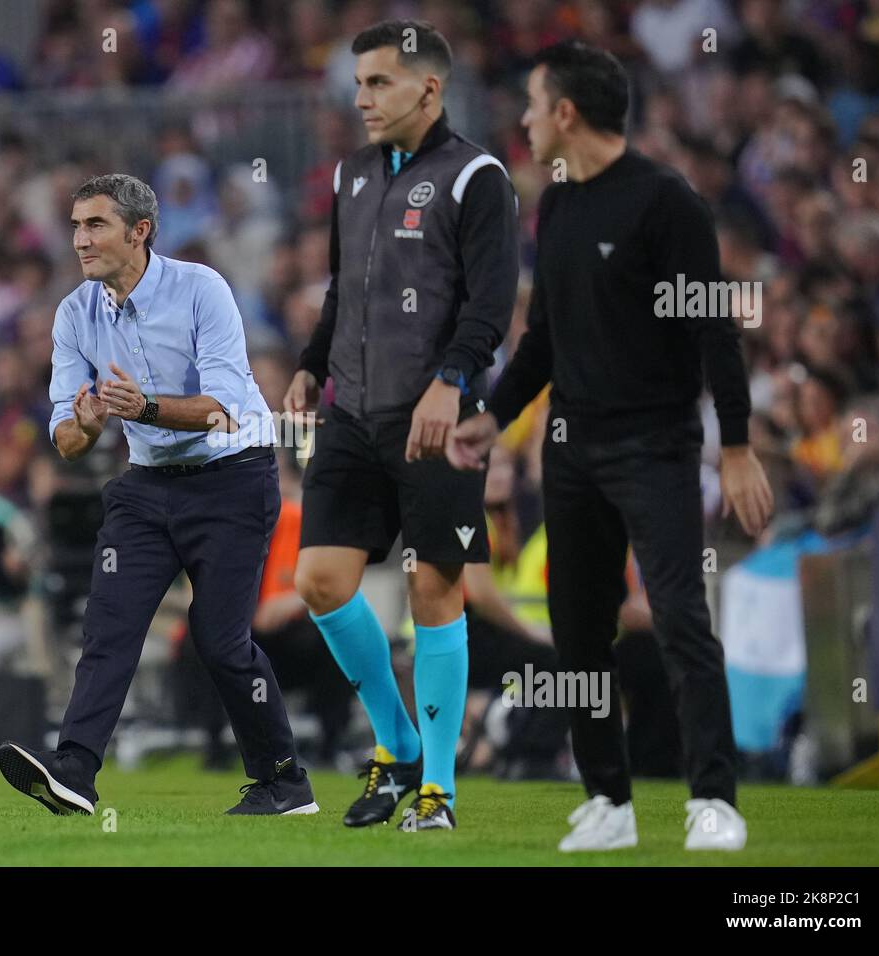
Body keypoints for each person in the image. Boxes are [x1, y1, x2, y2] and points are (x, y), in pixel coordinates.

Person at [445, 41, 775, 851]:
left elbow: (716, 328)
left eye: (530, 103)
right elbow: (544, 340)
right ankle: (609, 802)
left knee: (678, 619)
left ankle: (714, 802)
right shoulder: (556, 205)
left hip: (656, 446)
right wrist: (494, 411)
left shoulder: (667, 202)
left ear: (566, 112)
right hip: (571, 450)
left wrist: (735, 445)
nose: (521, 119)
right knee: (579, 634)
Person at [0, 173, 317, 817]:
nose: (79, 240)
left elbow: (226, 409)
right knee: (108, 624)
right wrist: (84, 426)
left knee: (219, 641)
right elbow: (68, 436)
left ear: (139, 232)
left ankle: (284, 782)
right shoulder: (73, 313)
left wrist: (141, 406)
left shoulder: (202, 289)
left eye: (95, 225)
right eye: (76, 226)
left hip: (233, 475)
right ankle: (76, 769)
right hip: (146, 487)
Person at [284, 19, 520, 830]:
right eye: (357, 84)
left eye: (378, 82)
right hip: (351, 410)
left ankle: (437, 791)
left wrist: (452, 380)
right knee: (317, 581)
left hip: (437, 419)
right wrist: (313, 363)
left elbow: (491, 302)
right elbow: (342, 288)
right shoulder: (351, 174)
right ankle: (399, 742)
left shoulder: (476, 177)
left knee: (433, 588)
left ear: (429, 86)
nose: (362, 99)